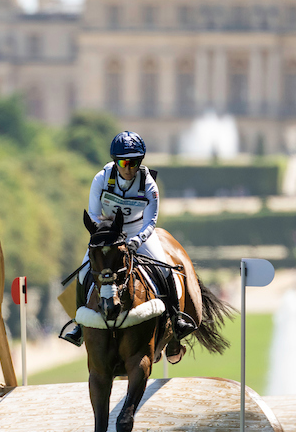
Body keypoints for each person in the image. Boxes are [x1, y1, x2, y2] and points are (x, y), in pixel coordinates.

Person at [59, 131, 195, 346]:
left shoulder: (149, 184)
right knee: (84, 271)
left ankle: (176, 318)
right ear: (115, 162)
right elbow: (94, 214)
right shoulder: (101, 179)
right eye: (123, 162)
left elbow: (151, 221)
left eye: (134, 162)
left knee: (165, 270)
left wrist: (138, 240)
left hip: (137, 233)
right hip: (107, 234)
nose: (129, 168)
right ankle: (79, 325)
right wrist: (109, 234)